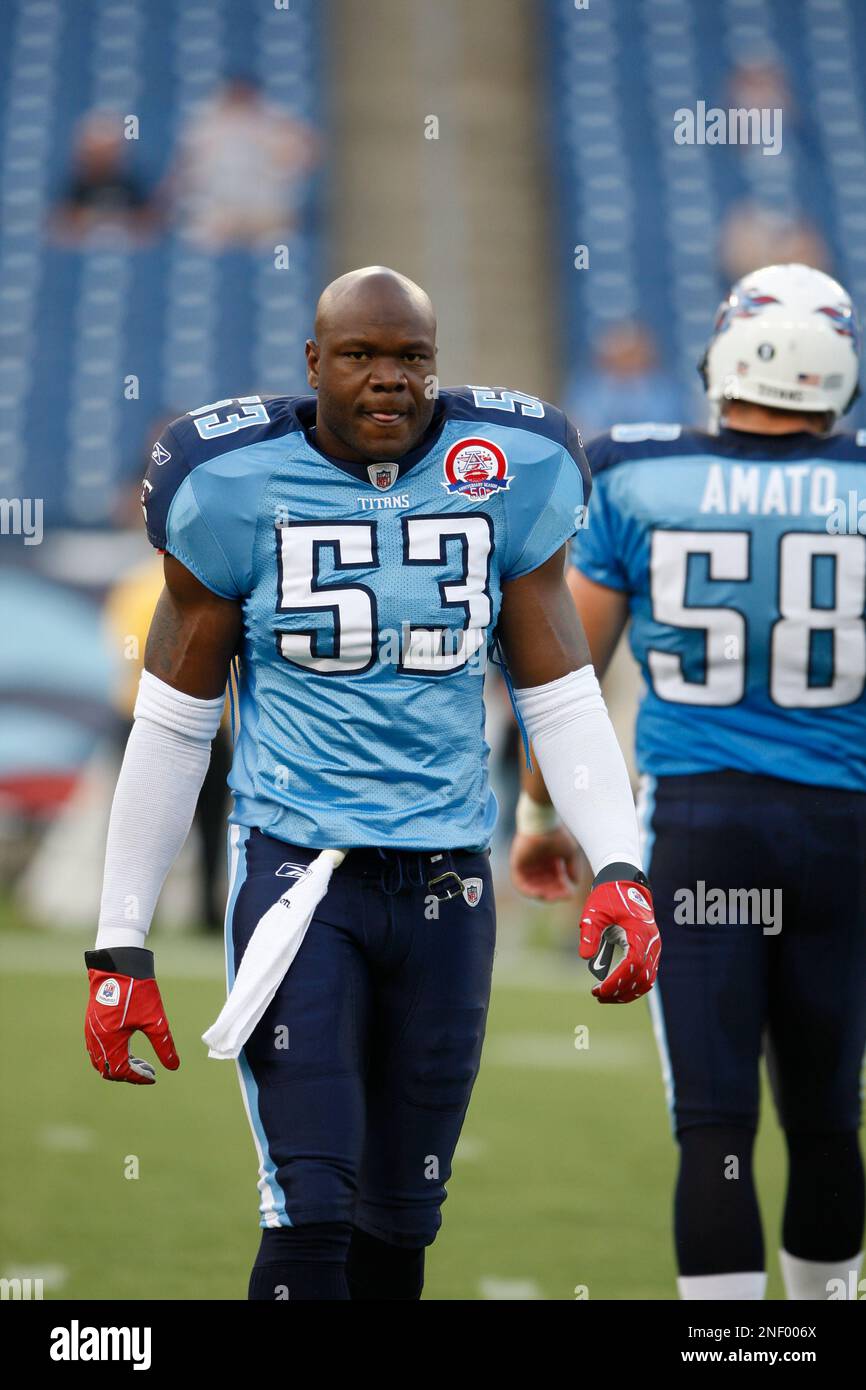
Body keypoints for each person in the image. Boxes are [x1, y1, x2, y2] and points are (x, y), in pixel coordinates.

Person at [83, 266, 660, 1301]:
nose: (388, 379)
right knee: (311, 1203)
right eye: (360, 355)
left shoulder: (508, 469)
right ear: (314, 364)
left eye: (410, 358)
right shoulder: (230, 481)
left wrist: (618, 861)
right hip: (304, 883)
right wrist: (119, 938)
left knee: (401, 1226)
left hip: (448, 886)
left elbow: (561, 694)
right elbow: (174, 727)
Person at [511, 262, 866, 1301]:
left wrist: (541, 814)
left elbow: (562, 677)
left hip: (703, 825)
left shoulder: (633, 472)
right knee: (824, 1115)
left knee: (713, 1126)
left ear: (725, 353)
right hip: (842, 829)